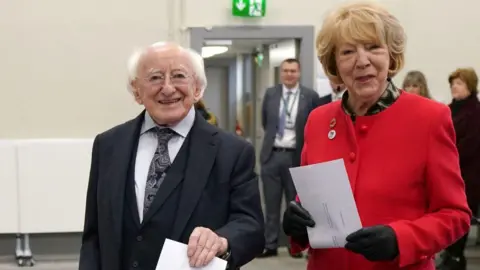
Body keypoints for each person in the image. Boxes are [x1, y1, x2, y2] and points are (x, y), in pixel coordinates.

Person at [282, 2, 472, 270]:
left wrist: (401, 239)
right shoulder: (318, 120)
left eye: (373, 48)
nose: (362, 61)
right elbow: (312, 198)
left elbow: (456, 215)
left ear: (391, 55)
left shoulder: (429, 118)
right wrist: (297, 223)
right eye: (348, 52)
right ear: (335, 63)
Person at [79, 42, 264, 270]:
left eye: (178, 76)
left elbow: (251, 226)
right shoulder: (108, 145)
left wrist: (222, 240)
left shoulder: (232, 151)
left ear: (197, 88)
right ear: (137, 90)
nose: (167, 88)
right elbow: (94, 235)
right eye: (155, 77)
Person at [258, 58, 323, 258]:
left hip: (296, 156)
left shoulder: (310, 96)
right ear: (281, 73)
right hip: (273, 155)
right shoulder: (271, 94)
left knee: (295, 204)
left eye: (293, 71)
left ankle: (294, 245)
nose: (289, 74)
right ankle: (270, 244)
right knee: (271, 203)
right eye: (285, 71)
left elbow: (314, 125)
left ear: (299, 73)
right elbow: (265, 121)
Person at [438, 67, 480, 270]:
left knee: (461, 215)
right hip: (446, 171)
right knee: (446, 215)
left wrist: (445, 156)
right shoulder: (448, 109)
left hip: (467, 174)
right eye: (453, 83)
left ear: (470, 87)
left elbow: (470, 146)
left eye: (460, 83)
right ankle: (450, 254)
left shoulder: (476, 112)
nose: (455, 86)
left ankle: (456, 257)